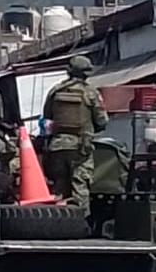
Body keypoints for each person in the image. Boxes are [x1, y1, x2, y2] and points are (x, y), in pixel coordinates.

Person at [41, 55, 108, 208]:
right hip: (80, 148)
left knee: (59, 188)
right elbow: (102, 121)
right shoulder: (90, 93)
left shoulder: (55, 90)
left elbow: (47, 116)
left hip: (57, 146)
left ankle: (58, 224)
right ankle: (81, 223)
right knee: (80, 187)